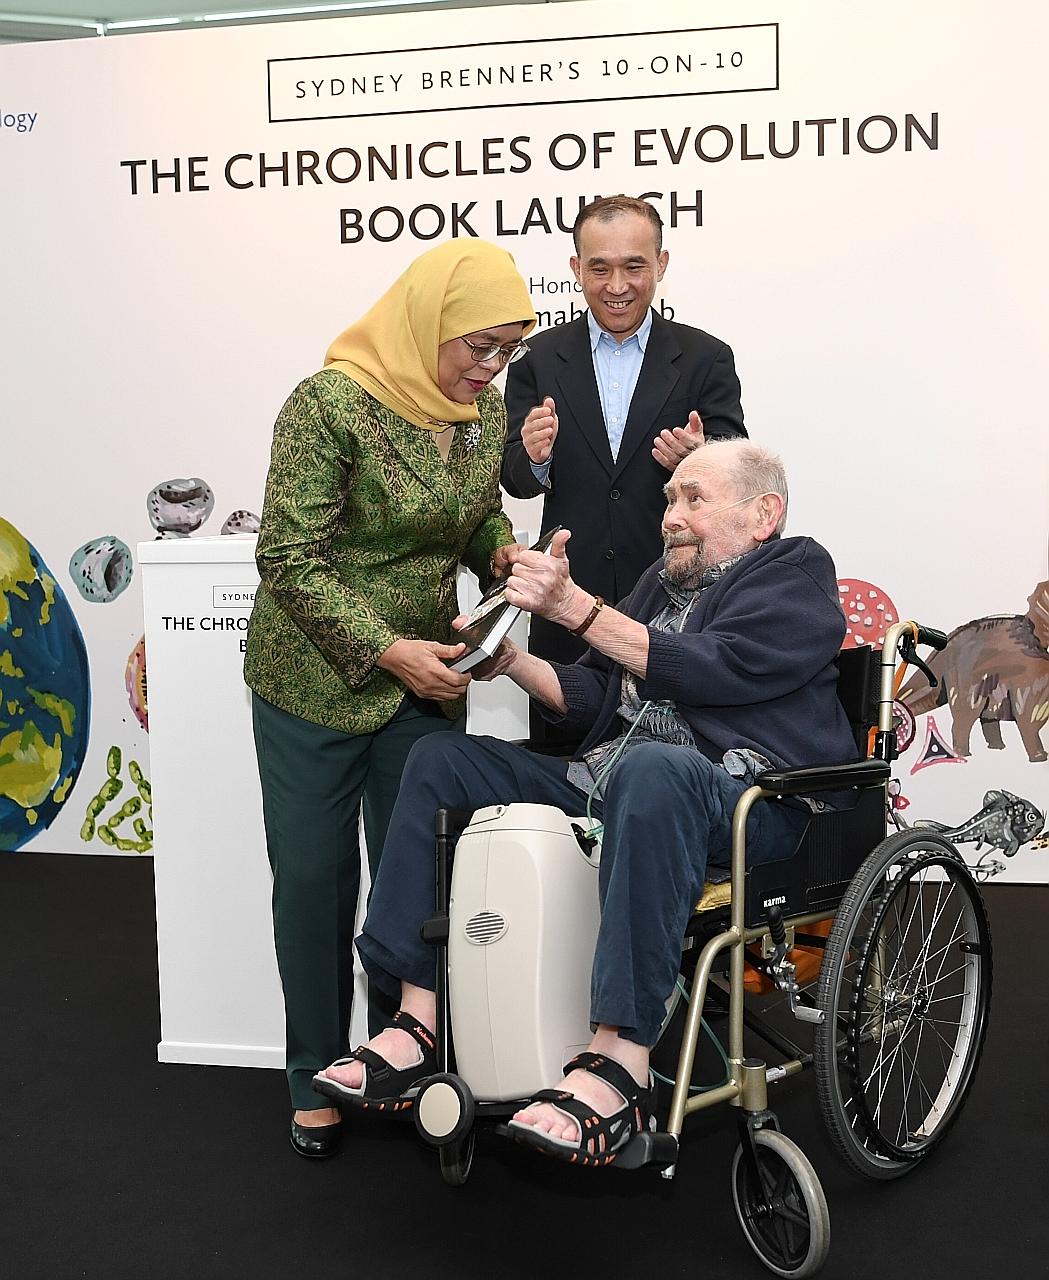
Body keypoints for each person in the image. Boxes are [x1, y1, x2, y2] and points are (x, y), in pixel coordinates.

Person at [313, 440, 858, 1168]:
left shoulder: (794, 576)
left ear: (764, 513)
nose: (671, 515)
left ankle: (620, 1057)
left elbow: (714, 669)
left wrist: (571, 605)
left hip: (748, 801)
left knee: (655, 770)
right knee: (442, 758)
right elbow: (601, 697)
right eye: (668, 499)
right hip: (617, 783)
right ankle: (419, 1022)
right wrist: (511, 660)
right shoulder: (658, 586)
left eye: (693, 498)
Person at [243, 239, 536, 1158]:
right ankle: (311, 1075)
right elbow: (287, 558)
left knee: (420, 886)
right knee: (314, 885)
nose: (489, 369)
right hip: (314, 683)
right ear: (428, 325)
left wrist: (499, 553)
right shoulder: (329, 403)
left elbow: (475, 510)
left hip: (428, 681)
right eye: (478, 346)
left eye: (506, 351)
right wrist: (385, 650)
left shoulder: (481, 409)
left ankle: (395, 1057)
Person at [502, 195, 747, 676]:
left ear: (661, 263)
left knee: (669, 749)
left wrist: (700, 459)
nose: (617, 286)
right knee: (564, 745)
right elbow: (515, 480)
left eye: (634, 266)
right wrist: (532, 457)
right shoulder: (536, 359)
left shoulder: (706, 358)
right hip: (566, 607)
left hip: (679, 605)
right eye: (599, 269)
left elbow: (739, 475)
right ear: (575, 268)